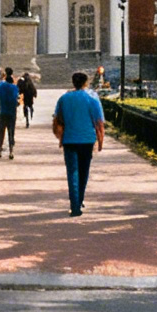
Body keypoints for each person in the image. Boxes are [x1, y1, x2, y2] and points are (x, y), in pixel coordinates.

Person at [53, 71, 107, 216]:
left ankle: (74, 205)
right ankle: (79, 200)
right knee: (84, 172)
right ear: (86, 83)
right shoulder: (92, 98)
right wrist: (101, 141)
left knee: (72, 173)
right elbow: (99, 123)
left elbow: (58, 120)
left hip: (70, 140)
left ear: (73, 82)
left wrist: (60, 138)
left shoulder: (64, 99)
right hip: (87, 140)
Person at [0, 68, 21, 157]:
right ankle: (11, 151)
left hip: (3, 111)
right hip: (12, 112)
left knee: (1, 131)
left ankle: (0, 148)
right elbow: (17, 98)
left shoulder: (1, 86)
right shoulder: (14, 87)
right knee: (11, 131)